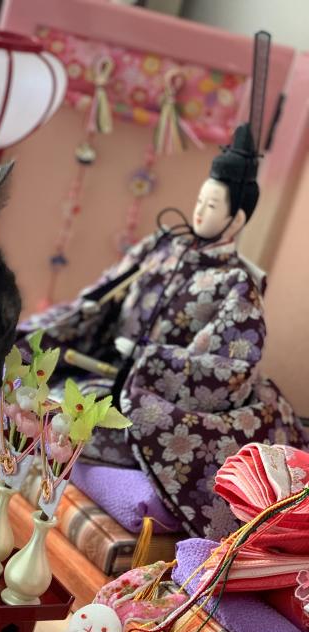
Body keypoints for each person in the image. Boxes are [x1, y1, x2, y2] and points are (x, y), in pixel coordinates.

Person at [17, 122, 306, 540]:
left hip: (150, 396)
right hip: (106, 372)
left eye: (212, 205)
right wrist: (31, 335)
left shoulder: (237, 285)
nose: (199, 212)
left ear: (236, 219)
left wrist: (147, 359)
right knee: (29, 386)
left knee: (69, 422)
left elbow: (228, 367)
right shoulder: (161, 246)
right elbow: (100, 298)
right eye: (200, 200)